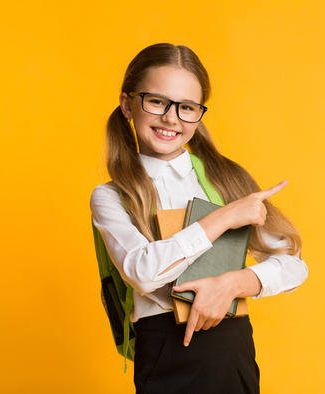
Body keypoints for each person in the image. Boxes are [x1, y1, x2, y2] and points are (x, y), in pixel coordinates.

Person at [90, 43, 308, 394]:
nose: (171, 118)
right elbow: (143, 274)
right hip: (163, 350)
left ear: (198, 115)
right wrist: (221, 219)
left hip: (230, 348)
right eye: (157, 101)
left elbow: (295, 265)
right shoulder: (112, 196)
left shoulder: (226, 179)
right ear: (128, 104)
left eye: (187, 107)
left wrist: (235, 283)